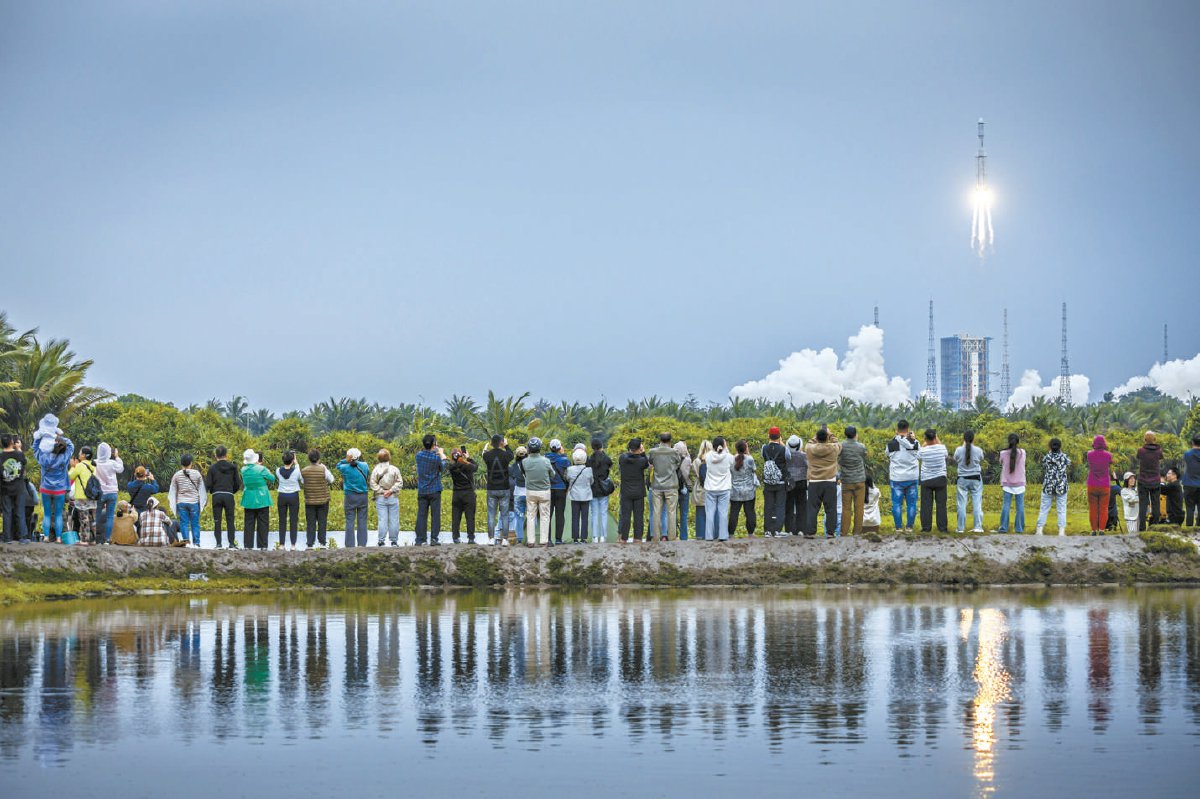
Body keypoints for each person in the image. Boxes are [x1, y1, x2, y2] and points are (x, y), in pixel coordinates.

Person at [36, 435, 73, 543]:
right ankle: (58, 538)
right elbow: (70, 445)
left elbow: (37, 447)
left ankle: (47, 537)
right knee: (58, 515)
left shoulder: (44, 459)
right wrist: (60, 438)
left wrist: (47, 438)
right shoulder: (65, 459)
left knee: (47, 514)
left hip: (46, 489)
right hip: (59, 491)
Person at [806, 427, 841, 539]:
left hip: (814, 482)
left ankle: (811, 532)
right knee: (830, 509)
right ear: (827, 437)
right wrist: (831, 434)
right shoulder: (833, 448)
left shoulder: (809, 448)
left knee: (812, 508)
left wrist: (816, 436)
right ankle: (830, 533)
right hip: (829, 481)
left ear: (817, 438)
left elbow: (809, 442)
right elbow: (837, 442)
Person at [647, 433, 683, 542]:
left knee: (656, 512)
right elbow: (678, 463)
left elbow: (651, 462)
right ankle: (672, 537)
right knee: (671, 512)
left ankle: (656, 537)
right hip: (671, 485)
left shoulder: (653, 452)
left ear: (660, 440)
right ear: (670, 441)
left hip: (657, 486)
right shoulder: (674, 452)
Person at [886, 421, 921, 533]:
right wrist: (913, 439)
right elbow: (919, 454)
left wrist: (895, 437)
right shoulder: (915, 443)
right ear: (908, 429)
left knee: (897, 503)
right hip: (912, 477)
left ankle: (898, 528)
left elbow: (887, 454)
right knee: (912, 503)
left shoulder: (891, 443)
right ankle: (909, 527)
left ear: (897, 429)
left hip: (897, 478)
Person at [205, 446, 242, 548]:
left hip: (216, 495)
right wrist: (231, 491)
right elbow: (238, 484)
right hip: (229, 495)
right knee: (230, 520)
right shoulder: (233, 467)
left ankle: (218, 544)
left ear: (216, 455)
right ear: (226, 455)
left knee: (217, 521)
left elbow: (208, 484)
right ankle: (231, 543)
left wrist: (213, 491)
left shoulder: (212, 468)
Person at [415, 435, 448, 546]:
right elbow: (444, 467)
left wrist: (435, 449)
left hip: (422, 490)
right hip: (435, 490)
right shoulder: (436, 457)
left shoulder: (418, 456)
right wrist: (442, 453)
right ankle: (434, 539)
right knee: (435, 515)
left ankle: (420, 539)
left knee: (421, 515)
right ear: (433, 444)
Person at [522, 438, 555, 546]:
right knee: (545, 516)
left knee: (531, 516)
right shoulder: (546, 461)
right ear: (540, 448)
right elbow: (552, 474)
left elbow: (524, 473)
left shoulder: (524, 461)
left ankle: (531, 541)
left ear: (529, 449)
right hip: (544, 491)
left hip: (530, 491)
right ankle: (543, 541)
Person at [168, 454, 206, 547]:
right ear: (191, 463)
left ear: (181, 463)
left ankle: (186, 543)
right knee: (195, 523)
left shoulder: (177, 475)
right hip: (194, 502)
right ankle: (196, 543)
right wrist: (203, 502)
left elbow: (172, 490)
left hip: (181, 502)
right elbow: (202, 489)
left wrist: (173, 503)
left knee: (184, 523)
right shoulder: (197, 474)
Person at [241, 448, 276, 550]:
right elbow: (272, 478)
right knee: (263, 523)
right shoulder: (262, 469)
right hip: (262, 498)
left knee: (248, 523)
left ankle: (248, 545)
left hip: (248, 498)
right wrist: (264, 468)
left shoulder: (243, 470)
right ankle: (263, 545)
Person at [336, 448, 371, 547]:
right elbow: (367, 474)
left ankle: (350, 545)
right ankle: (362, 544)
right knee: (362, 520)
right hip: (363, 496)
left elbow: (337, 465)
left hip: (350, 496)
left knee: (350, 520)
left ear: (349, 457)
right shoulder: (365, 465)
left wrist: (345, 460)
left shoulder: (344, 467)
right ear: (358, 456)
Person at [483, 435, 514, 546]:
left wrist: (486, 447)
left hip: (491, 488)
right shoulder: (505, 455)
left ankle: (491, 539)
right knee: (505, 515)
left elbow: (484, 453)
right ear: (501, 443)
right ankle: (505, 539)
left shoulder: (487, 455)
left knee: (491, 515)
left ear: (491, 443)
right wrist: (506, 445)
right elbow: (511, 455)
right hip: (504, 488)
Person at [1036, 438, 1071, 536]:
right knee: (1061, 509)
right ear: (1060, 447)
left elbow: (1043, 464)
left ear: (1050, 447)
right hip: (1061, 486)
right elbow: (1069, 463)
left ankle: (1039, 530)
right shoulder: (1064, 457)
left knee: (1044, 508)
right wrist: (1061, 453)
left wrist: (1050, 453)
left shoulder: (1047, 457)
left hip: (1048, 485)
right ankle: (1061, 531)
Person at [837, 426, 868, 537]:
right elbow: (865, 455)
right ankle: (857, 533)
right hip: (860, 480)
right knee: (859, 508)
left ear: (845, 435)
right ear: (855, 434)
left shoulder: (841, 446)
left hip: (846, 481)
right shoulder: (861, 446)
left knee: (846, 508)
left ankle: (844, 533)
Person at [301, 449, 335, 549]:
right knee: (322, 521)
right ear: (319, 458)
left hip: (309, 500)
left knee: (310, 522)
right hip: (323, 500)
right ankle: (322, 543)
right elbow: (331, 480)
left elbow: (303, 482)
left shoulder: (304, 470)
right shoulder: (323, 469)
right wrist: (324, 467)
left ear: (309, 458)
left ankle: (310, 544)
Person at [917, 429, 949, 534]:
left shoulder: (922, 450)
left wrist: (925, 442)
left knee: (926, 505)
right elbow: (945, 454)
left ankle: (926, 528)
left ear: (925, 439)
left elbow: (918, 455)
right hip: (940, 478)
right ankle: (942, 528)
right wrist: (936, 439)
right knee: (941, 505)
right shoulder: (942, 448)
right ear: (935, 437)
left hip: (926, 480)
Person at [618, 438, 650, 542]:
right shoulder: (642, 461)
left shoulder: (622, 458)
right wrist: (643, 452)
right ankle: (637, 538)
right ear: (639, 448)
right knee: (638, 516)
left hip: (626, 492)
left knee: (625, 516)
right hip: (639, 492)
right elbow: (646, 462)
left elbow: (627, 455)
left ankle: (624, 538)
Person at [370, 449, 403, 547]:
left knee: (382, 519)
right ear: (389, 457)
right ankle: (394, 541)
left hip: (380, 497)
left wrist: (382, 491)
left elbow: (373, 483)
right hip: (393, 496)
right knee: (394, 519)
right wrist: (390, 491)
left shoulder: (376, 469)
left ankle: (381, 540)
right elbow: (399, 482)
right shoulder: (394, 469)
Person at [953, 430, 985, 533]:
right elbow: (981, 459)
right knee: (977, 503)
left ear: (963, 439)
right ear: (973, 439)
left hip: (962, 479)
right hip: (976, 478)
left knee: (961, 504)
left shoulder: (958, 450)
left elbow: (955, 459)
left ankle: (960, 528)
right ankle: (978, 527)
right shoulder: (978, 450)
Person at [703, 437, 733, 541]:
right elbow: (732, 463)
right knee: (723, 513)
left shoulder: (707, 456)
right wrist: (726, 450)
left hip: (710, 488)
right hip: (724, 488)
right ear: (724, 445)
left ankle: (709, 536)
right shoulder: (729, 457)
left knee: (710, 513)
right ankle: (723, 536)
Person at [92, 442, 123, 544]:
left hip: (100, 493)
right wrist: (117, 457)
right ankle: (107, 539)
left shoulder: (95, 462)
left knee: (97, 515)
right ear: (109, 452)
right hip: (112, 492)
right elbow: (120, 469)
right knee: (110, 516)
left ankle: (95, 538)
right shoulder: (112, 463)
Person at [761, 427, 788, 538]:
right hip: (780, 482)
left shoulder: (764, 448)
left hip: (768, 482)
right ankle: (777, 530)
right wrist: (782, 444)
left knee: (768, 505)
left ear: (768, 436)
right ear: (779, 436)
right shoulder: (783, 449)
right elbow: (788, 457)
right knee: (780, 506)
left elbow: (763, 457)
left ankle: (767, 530)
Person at [448, 447, 478, 543]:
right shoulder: (467, 466)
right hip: (468, 494)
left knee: (456, 517)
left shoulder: (451, 468)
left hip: (456, 494)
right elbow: (476, 467)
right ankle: (471, 538)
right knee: (470, 517)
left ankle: (455, 537)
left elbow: (450, 464)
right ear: (461, 455)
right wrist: (468, 458)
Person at [0, 435, 28, 543]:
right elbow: (24, 462)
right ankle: (22, 537)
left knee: (7, 513)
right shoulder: (19, 454)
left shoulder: (1, 456)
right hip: (18, 488)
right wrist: (19, 448)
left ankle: (7, 538)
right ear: (12, 442)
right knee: (20, 512)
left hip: (5, 488)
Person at [1085, 435, 1115, 536]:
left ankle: (1094, 530)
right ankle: (1102, 529)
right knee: (1104, 508)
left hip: (1092, 484)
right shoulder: (1108, 455)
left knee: (1093, 508)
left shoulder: (1089, 454)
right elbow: (1110, 463)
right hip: (1105, 485)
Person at [997, 433, 1027, 534]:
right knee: (1020, 507)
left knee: (1006, 505)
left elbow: (1000, 462)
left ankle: (1003, 528)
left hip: (1007, 483)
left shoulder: (1003, 453)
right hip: (1020, 483)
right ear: (1018, 442)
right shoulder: (1023, 452)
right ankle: (1019, 529)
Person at [68, 447, 98, 544]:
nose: (79, 454)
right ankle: (93, 540)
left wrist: (73, 466)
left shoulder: (79, 466)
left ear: (84, 455)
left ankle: (84, 540)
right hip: (93, 496)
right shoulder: (94, 467)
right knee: (92, 519)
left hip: (82, 496)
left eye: (80, 453)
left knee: (84, 518)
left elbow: (70, 476)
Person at [274, 451, 304, 550]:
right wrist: (297, 463)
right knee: (293, 520)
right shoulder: (296, 471)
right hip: (293, 496)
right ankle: (293, 545)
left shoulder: (278, 470)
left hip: (282, 496)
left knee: (282, 520)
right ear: (292, 460)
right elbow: (302, 480)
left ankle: (281, 544)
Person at [729, 440, 758, 538]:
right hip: (749, 491)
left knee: (734, 512)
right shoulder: (750, 459)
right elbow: (754, 470)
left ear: (736, 448)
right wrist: (748, 454)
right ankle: (750, 533)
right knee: (750, 512)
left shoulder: (732, 459)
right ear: (746, 448)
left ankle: (731, 534)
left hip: (735, 491)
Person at [587, 438, 614, 544]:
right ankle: (603, 537)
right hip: (604, 489)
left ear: (592, 447)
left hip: (593, 489)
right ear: (601, 446)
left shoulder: (589, 460)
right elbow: (609, 466)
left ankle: (594, 537)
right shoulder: (606, 459)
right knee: (603, 513)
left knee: (594, 513)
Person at [1136, 432, 1164, 531]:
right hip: (1155, 480)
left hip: (1143, 480)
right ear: (1154, 439)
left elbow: (1138, 457)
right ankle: (1155, 527)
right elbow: (1160, 457)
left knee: (1143, 505)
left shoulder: (1141, 451)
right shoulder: (1158, 451)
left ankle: (1142, 528)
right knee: (1156, 504)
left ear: (1145, 440)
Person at [566, 448, 593, 543]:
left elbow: (568, 479)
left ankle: (575, 538)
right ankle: (583, 538)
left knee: (575, 517)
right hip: (586, 496)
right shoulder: (589, 470)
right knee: (585, 518)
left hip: (574, 496)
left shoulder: (570, 469)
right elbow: (591, 481)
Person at [546, 439, 570, 545]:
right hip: (561, 489)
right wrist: (563, 454)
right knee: (560, 514)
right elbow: (568, 474)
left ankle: (548, 539)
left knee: (548, 515)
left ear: (550, 448)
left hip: (548, 489)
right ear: (560, 448)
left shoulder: (544, 458)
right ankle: (559, 539)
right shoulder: (564, 460)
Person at [784, 435, 808, 536]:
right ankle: (801, 529)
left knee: (789, 506)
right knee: (801, 506)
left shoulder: (786, 456)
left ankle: (789, 529)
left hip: (789, 483)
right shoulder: (804, 455)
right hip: (801, 482)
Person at [691, 440, 712, 541]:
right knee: (711, 513)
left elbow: (695, 474)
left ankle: (700, 535)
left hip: (699, 488)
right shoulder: (713, 460)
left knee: (700, 512)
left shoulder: (696, 461)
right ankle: (711, 534)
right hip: (711, 487)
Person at [508, 445, 529, 546]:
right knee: (531, 517)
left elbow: (512, 477)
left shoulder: (513, 466)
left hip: (518, 493)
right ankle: (531, 538)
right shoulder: (529, 464)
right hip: (530, 493)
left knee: (519, 517)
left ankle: (520, 539)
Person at [674, 440, 692, 540]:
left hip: (674, 489)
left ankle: (673, 534)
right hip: (684, 489)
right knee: (684, 514)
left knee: (673, 513)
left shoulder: (672, 459)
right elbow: (687, 474)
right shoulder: (688, 460)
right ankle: (684, 536)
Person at [1184, 436, 1200, 528]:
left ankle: (1189, 528)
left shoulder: (1187, 454)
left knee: (1189, 508)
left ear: (1192, 443)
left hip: (1189, 483)